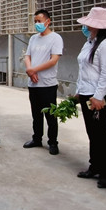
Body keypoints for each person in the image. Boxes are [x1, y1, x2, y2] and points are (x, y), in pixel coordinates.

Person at [75, 7, 106, 188]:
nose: (87, 27)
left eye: (90, 24)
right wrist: (79, 91)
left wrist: (98, 97)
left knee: (102, 134)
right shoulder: (90, 42)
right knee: (92, 133)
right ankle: (95, 166)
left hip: (98, 96)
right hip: (86, 93)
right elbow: (84, 70)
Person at [23, 9, 63, 155]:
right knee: (36, 114)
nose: (37, 24)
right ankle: (37, 138)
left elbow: (53, 60)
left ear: (48, 21)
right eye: (35, 21)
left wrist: (34, 70)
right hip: (33, 83)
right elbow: (27, 56)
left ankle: (53, 142)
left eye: (39, 21)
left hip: (48, 84)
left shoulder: (55, 38)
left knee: (51, 115)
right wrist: (30, 70)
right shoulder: (33, 38)